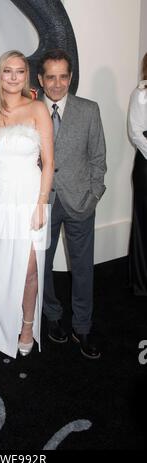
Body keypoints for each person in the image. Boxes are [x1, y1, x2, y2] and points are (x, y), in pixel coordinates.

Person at [0, 50, 54, 358]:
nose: (13, 77)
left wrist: (41, 203)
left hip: (29, 195)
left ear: (27, 76)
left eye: (19, 71)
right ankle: (1, 328)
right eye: (7, 71)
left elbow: (49, 163)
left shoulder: (37, 108)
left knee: (29, 269)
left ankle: (26, 326)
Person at [38, 49, 106, 359]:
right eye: (50, 77)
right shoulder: (30, 110)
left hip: (80, 202)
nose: (56, 83)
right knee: (43, 267)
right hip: (43, 203)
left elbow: (98, 158)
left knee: (82, 269)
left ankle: (83, 326)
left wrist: (94, 194)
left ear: (70, 77)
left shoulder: (89, 110)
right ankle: (52, 317)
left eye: (63, 76)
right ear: (41, 79)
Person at [128, 53, 147, 296]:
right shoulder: (141, 94)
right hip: (146, 165)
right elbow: (136, 132)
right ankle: (142, 284)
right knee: (144, 224)